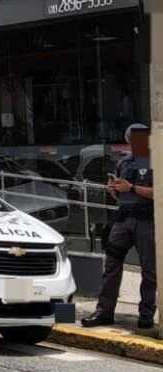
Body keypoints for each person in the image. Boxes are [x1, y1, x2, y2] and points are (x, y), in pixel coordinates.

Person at [82, 124, 156, 330]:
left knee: (149, 270)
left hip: (146, 220)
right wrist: (114, 189)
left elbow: (157, 192)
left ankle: (147, 313)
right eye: (132, 138)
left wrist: (131, 187)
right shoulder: (123, 162)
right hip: (123, 219)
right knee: (111, 265)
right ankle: (104, 312)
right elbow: (119, 196)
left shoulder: (154, 160)